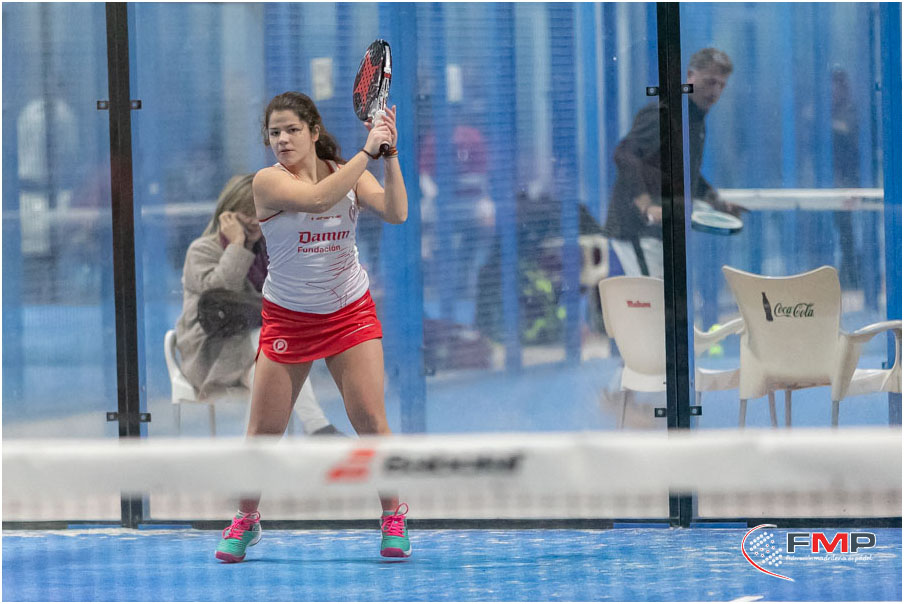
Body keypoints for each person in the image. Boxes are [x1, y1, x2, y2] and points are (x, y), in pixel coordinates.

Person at [215, 92, 410, 563]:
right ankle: (246, 518)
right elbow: (320, 199)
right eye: (274, 133)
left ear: (314, 132)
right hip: (289, 317)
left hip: (349, 312)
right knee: (263, 432)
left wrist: (389, 155)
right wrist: (367, 150)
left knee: (371, 421)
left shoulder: (349, 171)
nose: (282, 139)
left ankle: (393, 515)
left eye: (292, 130)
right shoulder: (268, 182)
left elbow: (397, 212)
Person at [175, 174, 341, 436]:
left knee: (268, 368)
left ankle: (256, 450)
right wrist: (237, 245)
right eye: (245, 213)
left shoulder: (268, 249)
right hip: (213, 352)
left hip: (256, 350)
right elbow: (218, 296)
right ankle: (318, 427)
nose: (254, 220)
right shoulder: (203, 250)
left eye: (259, 212)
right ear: (227, 214)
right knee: (272, 347)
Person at [601, 48, 744, 277]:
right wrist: (646, 206)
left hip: (661, 232)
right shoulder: (667, 112)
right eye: (710, 82)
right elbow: (624, 154)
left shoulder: (695, 119)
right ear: (689, 75)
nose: (715, 91)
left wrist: (715, 201)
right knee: (654, 297)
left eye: (721, 85)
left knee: (662, 296)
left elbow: (682, 173)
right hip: (639, 230)